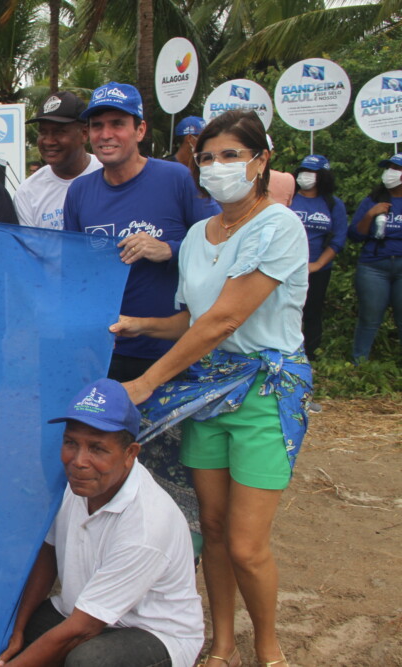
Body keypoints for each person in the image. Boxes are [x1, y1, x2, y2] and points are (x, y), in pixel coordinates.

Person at [110, 109, 310, 667]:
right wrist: (141, 325)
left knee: (246, 544)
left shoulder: (279, 226)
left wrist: (147, 382)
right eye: (207, 157)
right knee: (213, 529)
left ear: (260, 161)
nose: (217, 166)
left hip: (264, 393)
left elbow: (225, 320)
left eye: (230, 156)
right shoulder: (198, 235)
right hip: (206, 392)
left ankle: (268, 650)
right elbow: (193, 319)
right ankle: (221, 643)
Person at [0, 378, 203, 667]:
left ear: (130, 454)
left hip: (151, 631)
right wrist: (17, 629)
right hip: (83, 611)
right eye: (71, 443)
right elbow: (48, 553)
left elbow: (82, 629)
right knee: (1, 627)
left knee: (89, 661)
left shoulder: (147, 524)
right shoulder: (76, 483)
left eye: (97, 448)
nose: (79, 461)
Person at [63, 81, 219, 382]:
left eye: (117, 124)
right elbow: (74, 272)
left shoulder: (177, 178)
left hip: (172, 349)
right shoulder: (80, 191)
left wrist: (170, 249)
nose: (106, 134)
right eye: (97, 126)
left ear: (140, 130)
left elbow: (219, 245)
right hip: (106, 350)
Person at [14, 91, 101, 230]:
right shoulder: (27, 192)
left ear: (84, 133)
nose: (49, 141)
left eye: (59, 132)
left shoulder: (107, 173)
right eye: (43, 132)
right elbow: (30, 243)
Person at [290, 155, 347, 361]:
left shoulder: (332, 204)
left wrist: (318, 264)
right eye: (303, 171)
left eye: (312, 172)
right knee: (284, 310)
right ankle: (285, 352)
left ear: (323, 176)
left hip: (318, 268)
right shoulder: (289, 198)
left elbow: (338, 239)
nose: (306, 176)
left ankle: (310, 355)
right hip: (286, 267)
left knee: (312, 311)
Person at [348, 153, 402, 362]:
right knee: (369, 318)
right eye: (388, 168)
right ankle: (359, 363)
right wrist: (371, 214)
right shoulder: (373, 200)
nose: (390, 173)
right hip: (374, 266)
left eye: (396, 169)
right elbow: (356, 235)